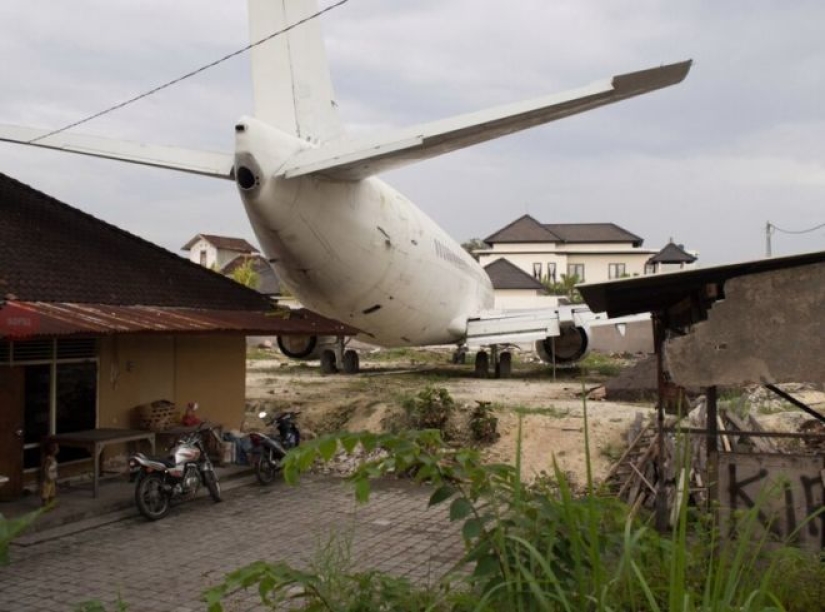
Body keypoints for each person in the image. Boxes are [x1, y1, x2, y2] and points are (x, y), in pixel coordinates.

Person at [40, 442, 59, 507]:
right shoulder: (49, 459)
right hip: (48, 479)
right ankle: (44, 505)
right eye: (57, 448)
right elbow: (46, 469)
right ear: (53, 450)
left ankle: (51, 504)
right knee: (46, 492)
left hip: (52, 478)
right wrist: (47, 477)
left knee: (52, 492)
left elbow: (54, 468)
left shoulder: (54, 458)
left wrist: (55, 476)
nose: (58, 449)